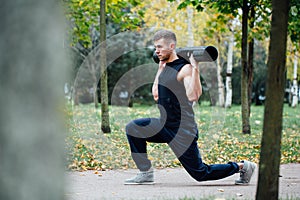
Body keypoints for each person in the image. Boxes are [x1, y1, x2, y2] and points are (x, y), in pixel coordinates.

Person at [124, 29, 256, 185]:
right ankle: (145, 173)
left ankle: (242, 166)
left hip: (182, 129)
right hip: (164, 124)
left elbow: (193, 96)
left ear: (172, 46)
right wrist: (160, 69)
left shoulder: (185, 69)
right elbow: (156, 94)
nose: (157, 51)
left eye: (160, 47)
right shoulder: (165, 67)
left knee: (200, 173)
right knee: (133, 128)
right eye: (155, 47)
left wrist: (195, 69)